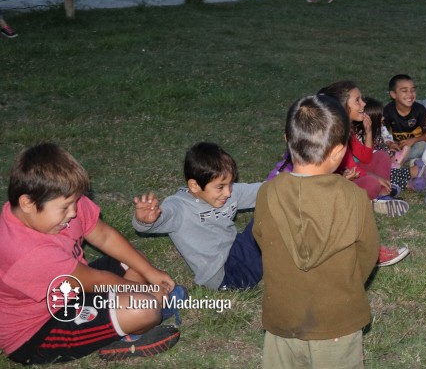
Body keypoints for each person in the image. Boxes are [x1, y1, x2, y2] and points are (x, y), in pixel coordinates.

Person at [0, 143, 181, 364]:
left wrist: (150, 273)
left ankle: (118, 319)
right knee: (145, 310)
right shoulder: (26, 251)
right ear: (27, 203)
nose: (74, 212)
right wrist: (149, 291)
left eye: (75, 203)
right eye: (66, 208)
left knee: (134, 261)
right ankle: (125, 335)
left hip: (72, 290)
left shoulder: (63, 197)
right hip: (40, 331)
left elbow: (104, 236)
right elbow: (97, 281)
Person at [253, 95, 380, 369]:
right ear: (338, 151)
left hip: (282, 321)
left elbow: (262, 239)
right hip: (337, 322)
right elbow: (368, 253)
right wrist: (345, 283)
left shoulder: (266, 193)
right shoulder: (354, 197)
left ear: (286, 138)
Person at [132, 142, 263, 290]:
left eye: (230, 184)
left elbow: (264, 192)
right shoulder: (179, 207)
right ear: (194, 186)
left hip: (236, 252)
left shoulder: (228, 193)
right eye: (220, 187)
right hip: (225, 276)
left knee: (274, 206)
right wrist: (144, 220)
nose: (228, 192)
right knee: (268, 220)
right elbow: (162, 218)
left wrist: (288, 183)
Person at [319, 81, 410, 217]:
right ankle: (374, 199)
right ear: (343, 107)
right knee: (372, 183)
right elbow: (350, 167)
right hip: (336, 183)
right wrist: (375, 177)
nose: (363, 104)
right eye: (357, 100)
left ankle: (382, 196)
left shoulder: (348, 128)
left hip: (350, 175)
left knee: (381, 156)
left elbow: (366, 158)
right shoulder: (334, 133)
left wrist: (369, 133)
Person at [383, 74, 426, 173]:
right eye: (404, 91)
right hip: (398, 146)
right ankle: (402, 159)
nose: (410, 94)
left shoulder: (419, 109)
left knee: (422, 146)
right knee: (381, 148)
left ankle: (399, 160)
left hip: (416, 144)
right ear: (393, 94)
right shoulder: (388, 110)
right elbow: (382, 131)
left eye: (413, 90)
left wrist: (414, 140)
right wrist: (390, 144)